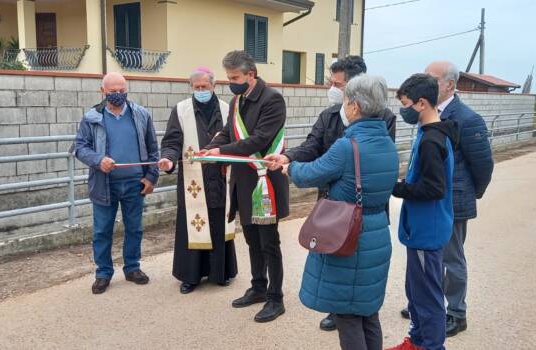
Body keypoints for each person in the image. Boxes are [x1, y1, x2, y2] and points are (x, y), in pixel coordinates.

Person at [267, 56, 397, 331]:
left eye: (339, 85)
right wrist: (288, 156)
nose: (334, 89)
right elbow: (311, 145)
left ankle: (339, 311)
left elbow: (315, 170)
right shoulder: (339, 119)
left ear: (355, 95)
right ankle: (336, 310)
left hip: (353, 212)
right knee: (364, 308)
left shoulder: (363, 133)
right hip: (357, 217)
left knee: (348, 307)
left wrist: (290, 169)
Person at [400, 62, 494, 337]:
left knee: (451, 259)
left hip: (452, 200)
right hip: (432, 201)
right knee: (430, 260)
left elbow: (483, 165)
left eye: (432, 79)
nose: (426, 82)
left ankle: (455, 311)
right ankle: (427, 302)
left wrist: (470, 194)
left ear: (450, 85)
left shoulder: (466, 118)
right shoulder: (428, 114)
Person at [200, 50, 289, 323]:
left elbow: (259, 140)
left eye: (235, 77)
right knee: (251, 238)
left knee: (268, 242)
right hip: (242, 181)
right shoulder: (237, 100)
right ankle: (258, 287)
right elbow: (229, 132)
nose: (231, 82)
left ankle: (276, 298)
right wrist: (211, 147)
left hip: (264, 182)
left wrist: (221, 151)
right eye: (228, 78)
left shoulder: (272, 100)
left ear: (251, 74)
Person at [386, 74, 459, 350]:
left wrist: (399, 189)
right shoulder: (432, 133)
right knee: (415, 292)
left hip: (427, 230)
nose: (404, 110)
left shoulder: (431, 141)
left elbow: (434, 188)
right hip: (422, 228)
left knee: (428, 297)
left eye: (406, 104)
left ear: (422, 103)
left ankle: (431, 345)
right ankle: (417, 341)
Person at [73, 72, 159, 294]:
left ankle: (132, 268)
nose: (118, 95)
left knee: (134, 228)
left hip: (135, 183)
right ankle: (103, 273)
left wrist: (151, 177)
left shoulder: (140, 115)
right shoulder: (92, 117)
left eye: (122, 90)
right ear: (103, 91)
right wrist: (98, 160)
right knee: (102, 231)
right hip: (105, 184)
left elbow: (153, 149)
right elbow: (80, 148)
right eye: (113, 92)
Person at [158, 67, 238, 294]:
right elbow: (172, 141)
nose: (201, 91)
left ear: (214, 86)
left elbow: (235, 137)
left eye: (205, 87)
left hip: (221, 177)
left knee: (219, 224)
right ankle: (190, 276)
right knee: (193, 225)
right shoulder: (181, 110)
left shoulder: (227, 108)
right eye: (197, 87)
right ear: (191, 88)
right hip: (194, 181)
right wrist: (168, 159)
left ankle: (220, 273)